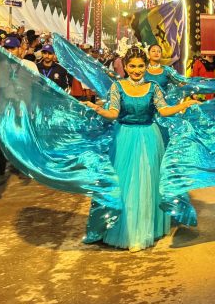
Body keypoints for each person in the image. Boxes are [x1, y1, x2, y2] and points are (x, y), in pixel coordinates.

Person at [83, 47, 200, 250]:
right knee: (124, 184)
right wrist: (97, 108)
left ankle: (143, 231)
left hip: (149, 137)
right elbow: (113, 113)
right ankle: (123, 229)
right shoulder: (117, 87)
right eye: (132, 66)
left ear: (145, 67)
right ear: (125, 67)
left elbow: (164, 111)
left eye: (140, 66)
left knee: (146, 183)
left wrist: (184, 105)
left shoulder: (154, 87)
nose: (136, 70)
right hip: (124, 138)